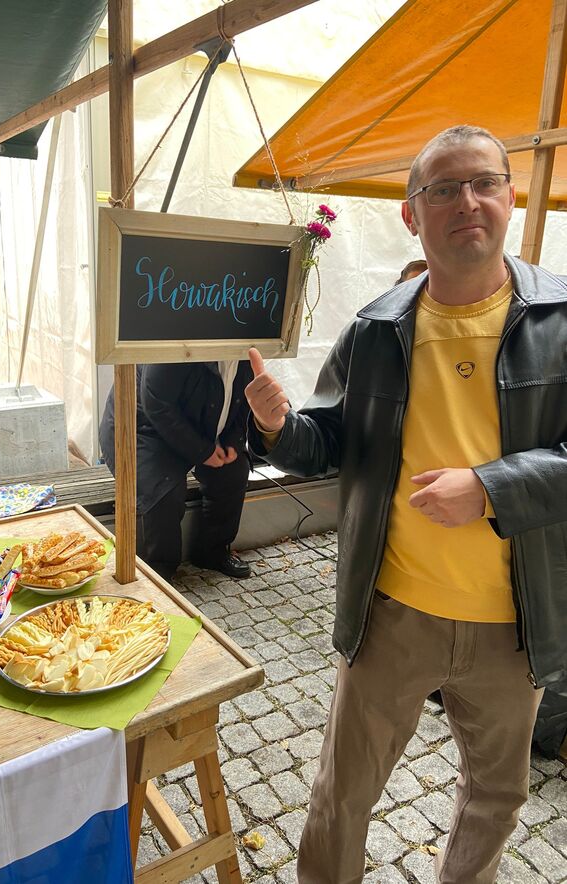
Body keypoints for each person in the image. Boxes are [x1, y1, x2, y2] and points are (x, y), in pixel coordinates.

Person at [245, 125, 567, 884]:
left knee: (496, 797)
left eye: (484, 183)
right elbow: (327, 441)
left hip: (515, 622)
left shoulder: (560, 322)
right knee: (342, 794)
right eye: (443, 188)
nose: (467, 202)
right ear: (410, 213)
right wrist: (277, 427)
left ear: (511, 196)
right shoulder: (376, 327)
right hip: (391, 610)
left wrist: (490, 487)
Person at [99, 360, 253, 582]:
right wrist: (202, 451)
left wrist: (233, 441)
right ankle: (160, 572)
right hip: (142, 428)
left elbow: (246, 398)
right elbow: (157, 404)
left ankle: (213, 552)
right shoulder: (174, 344)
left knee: (235, 471)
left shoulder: (250, 350)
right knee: (164, 491)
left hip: (200, 423)